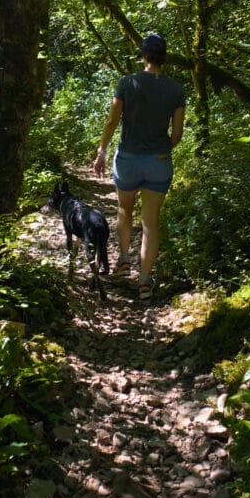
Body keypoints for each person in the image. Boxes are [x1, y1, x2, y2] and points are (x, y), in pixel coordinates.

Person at [93, 33, 185, 300]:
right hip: (159, 162)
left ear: (143, 55)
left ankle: (123, 258)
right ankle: (144, 281)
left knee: (124, 208)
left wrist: (102, 151)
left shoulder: (127, 82)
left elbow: (112, 121)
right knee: (151, 224)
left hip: (128, 160)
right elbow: (177, 133)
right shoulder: (176, 89)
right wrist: (162, 151)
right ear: (164, 58)